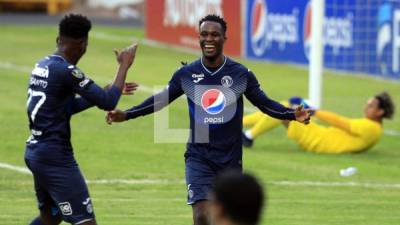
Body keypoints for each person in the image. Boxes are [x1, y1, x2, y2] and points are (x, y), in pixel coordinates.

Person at [106, 14, 312, 225]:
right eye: (204, 34)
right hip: (199, 156)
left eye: (215, 35)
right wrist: (127, 114)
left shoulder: (240, 74)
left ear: (225, 38)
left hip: (230, 159)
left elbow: (264, 103)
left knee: (229, 219)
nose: (209, 39)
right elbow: (160, 100)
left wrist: (291, 114)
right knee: (201, 216)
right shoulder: (186, 74)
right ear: (199, 38)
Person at [25, 14, 138, 225]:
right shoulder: (67, 71)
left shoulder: (43, 65)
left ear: (59, 39)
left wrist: (110, 89)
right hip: (55, 156)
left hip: (36, 151)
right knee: (85, 222)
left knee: (51, 217)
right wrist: (124, 65)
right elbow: (108, 102)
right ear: (83, 45)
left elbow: (66, 108)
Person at [242, 92, 395, 153]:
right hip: (320, 135)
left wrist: (314, 111)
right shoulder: (372, 127)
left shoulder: (371, 128)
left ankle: (248, 135)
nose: (366, 107)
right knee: (286, 105)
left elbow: (341, 122)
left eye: (371, 106)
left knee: (285, 110)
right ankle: (241, 126)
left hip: (318, 140)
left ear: (380, 112)